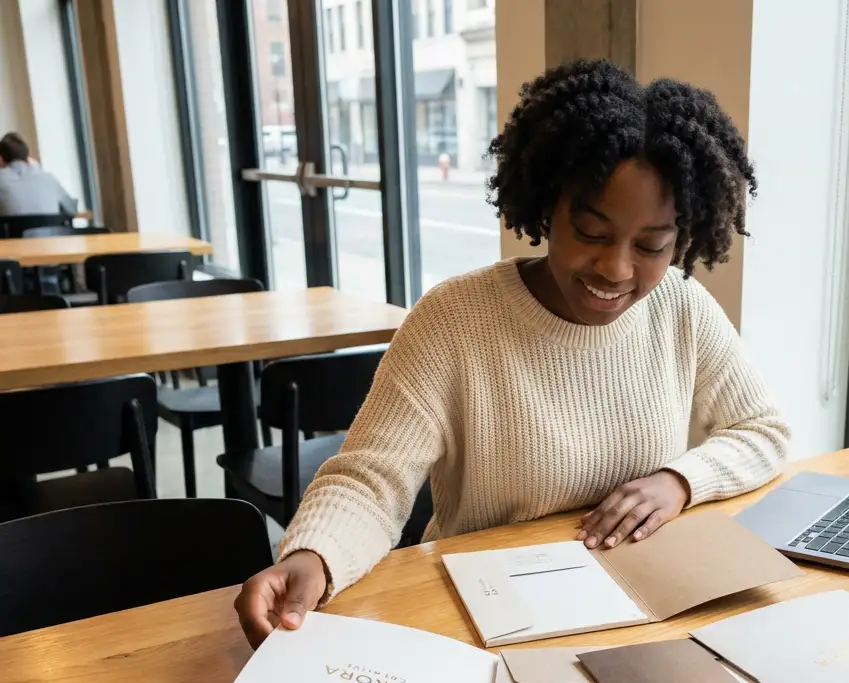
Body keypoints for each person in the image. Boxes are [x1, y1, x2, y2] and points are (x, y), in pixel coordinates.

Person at [234, 59, 791, 647]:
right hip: (488, 622)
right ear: (549, 205)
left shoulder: (681, 308)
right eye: (593, 234)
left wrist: (680, 480)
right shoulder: (454, 320)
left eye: (651, 245)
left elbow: (763, 431)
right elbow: (373, 479)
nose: (617, 269)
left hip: (639, 615)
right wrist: (314, 557)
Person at [0, 132, 77, 217]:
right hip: (52, 229)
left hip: (15, 229)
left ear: (1, 158)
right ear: (27, 156)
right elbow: (72, 209)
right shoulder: (48, 178)